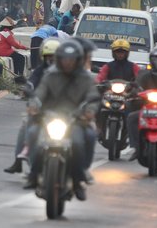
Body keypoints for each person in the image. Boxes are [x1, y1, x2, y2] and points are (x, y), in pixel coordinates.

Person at [25, 39, 100, 201]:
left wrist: (89, 112)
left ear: (78, 60)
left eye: (71, 60)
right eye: (65, 59)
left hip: (75, 120)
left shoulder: (86, 78)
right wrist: (34, 105)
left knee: (82, 141)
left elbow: (93, 98)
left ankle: (79, 179)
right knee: (33, 135)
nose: (67, 63)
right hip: (50, 118)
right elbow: (39, 94)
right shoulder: (50, 75)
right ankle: (33, 175)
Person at [4, 38, 60, 175]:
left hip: (61, 110)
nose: (52, 59)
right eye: (49, 56)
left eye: (54, 56)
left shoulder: (66, 73)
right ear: (44, 57)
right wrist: (28, 88)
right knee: (26, 128)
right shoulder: (40, 70)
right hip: (40, 109)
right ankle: (18, 161)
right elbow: (32, 82)